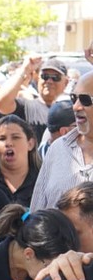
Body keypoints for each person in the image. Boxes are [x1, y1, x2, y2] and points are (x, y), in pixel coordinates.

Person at [30, 71, 93, 210]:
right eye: (73, 98)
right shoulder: (58, 148)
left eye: (85, 99)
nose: (76, 107)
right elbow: (37, 213)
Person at [0, 56, 69, 140]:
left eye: (55, 77)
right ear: (38, 79)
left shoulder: (71, 110)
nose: (49, 81)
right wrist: (24, 71)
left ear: (66, 82)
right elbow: (0, 102)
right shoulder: (27, 107)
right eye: (45, 76)